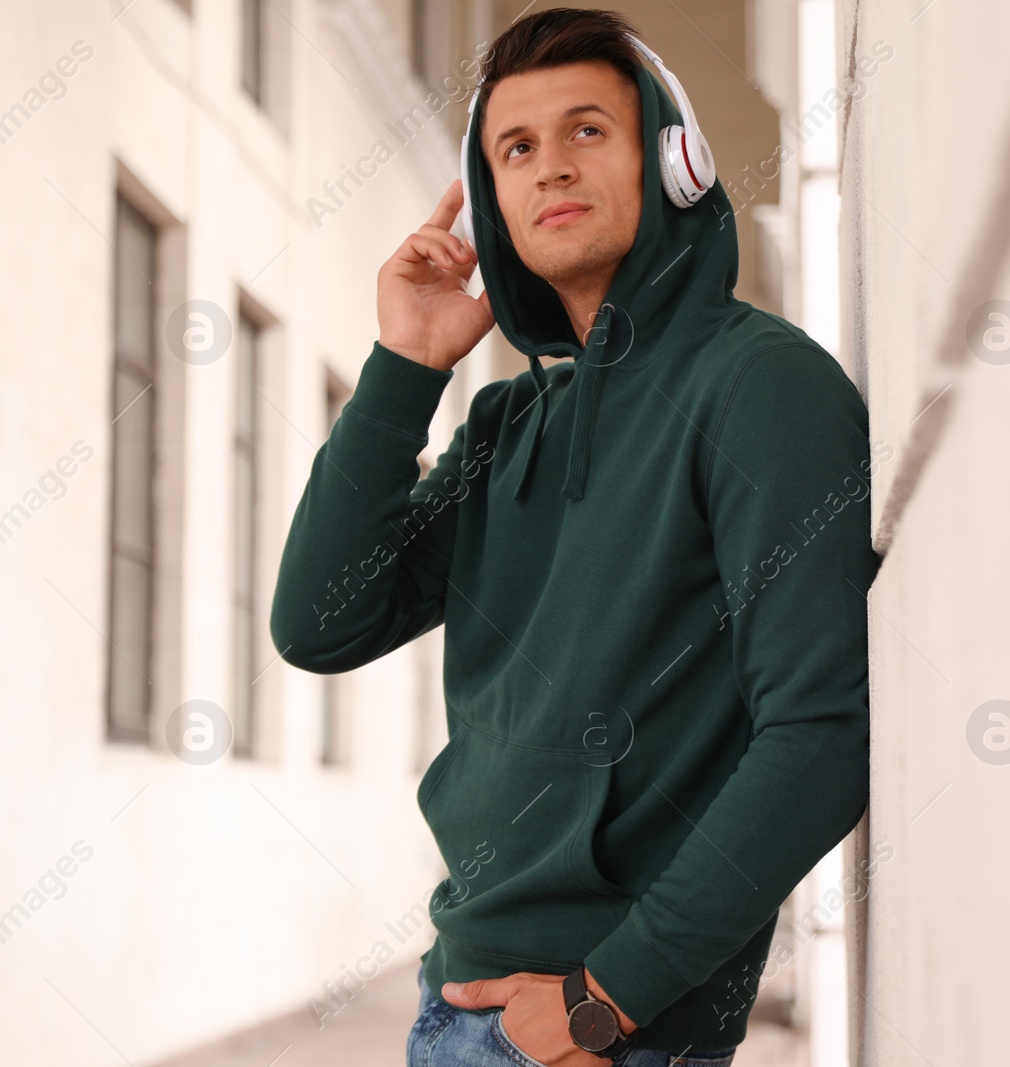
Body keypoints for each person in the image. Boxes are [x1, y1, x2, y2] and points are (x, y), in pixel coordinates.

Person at [268, 8, 884, 1067]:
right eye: (516, 148)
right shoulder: (511, 424)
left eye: (587, 130)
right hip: (457, 998)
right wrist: (405, 369)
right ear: (493, 202)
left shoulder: (762, 386)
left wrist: (607, 998)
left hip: (605, 1030)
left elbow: (821, 733)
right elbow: (320, 621)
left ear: (674, 160)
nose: (549, 167)